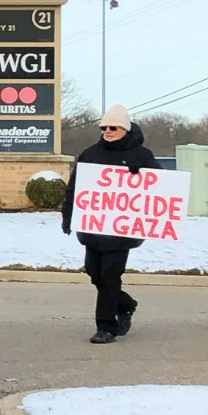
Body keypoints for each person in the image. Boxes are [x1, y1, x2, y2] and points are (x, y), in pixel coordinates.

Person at [61, 105, 159, 344]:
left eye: (113, 127)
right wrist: (68, 216)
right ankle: (125, 304)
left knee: (109, 276)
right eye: (104, 127)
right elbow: (75, 188)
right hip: (93, 228)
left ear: (124, 129)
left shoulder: (142, 155)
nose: (108, 131)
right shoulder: (91, 154)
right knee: (95, 273)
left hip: (122, 230)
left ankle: (106, 327)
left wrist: (142, 176)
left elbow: (161, 188)